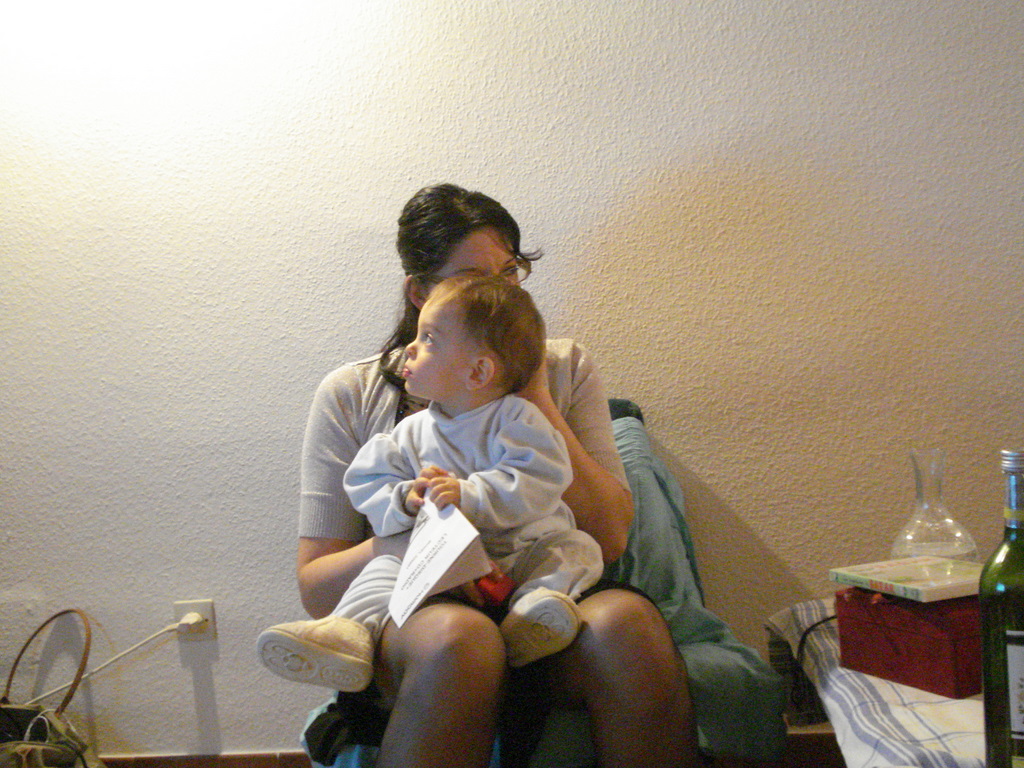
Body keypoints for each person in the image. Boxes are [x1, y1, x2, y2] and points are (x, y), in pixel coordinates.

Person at [284, 184, 698, 768]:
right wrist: (430, 538)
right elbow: (316, 587)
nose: (503, 297)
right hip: (425, 611)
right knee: (461, 641)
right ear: (420, 293)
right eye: (474, 278)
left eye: (510, 273)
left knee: (626, 625)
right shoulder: (353, 394)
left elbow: (609, 537)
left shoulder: (565, 368)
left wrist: (528, 392)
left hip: (544, 598)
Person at [257, 275, 605, 688]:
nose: (410, 347)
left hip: (522, 550)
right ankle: (348, 633)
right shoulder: (410, 431)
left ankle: (534, 614)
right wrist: (405, 498)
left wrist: (471, 495)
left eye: (428, 339)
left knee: (577, 548)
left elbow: (542, 477)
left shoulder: (518, 419)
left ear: (478, 371)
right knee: (384, 567)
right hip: (443, 563)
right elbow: (368, 480)